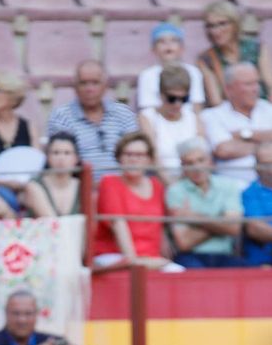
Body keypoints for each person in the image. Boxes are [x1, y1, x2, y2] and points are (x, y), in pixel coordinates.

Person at [201, 62, 272, 183]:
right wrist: (271, 148)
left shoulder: (271, 109)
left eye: (257, 83)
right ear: (229, 89)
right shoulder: (212, 115)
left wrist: (245, 134)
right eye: (248, 84)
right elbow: (224, 150)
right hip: (236, 189)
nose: (255, 89)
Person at [45, 61, 140, 175]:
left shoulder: (123, 113)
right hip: (79, 187)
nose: (89, 89)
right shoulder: (61, 116)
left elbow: (137, 154)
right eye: (83, 83)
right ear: (75, 87)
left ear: (106, 86)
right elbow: (59, 161)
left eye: (95, 83)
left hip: (121, 186)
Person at [91, 131, 168, 269]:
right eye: (128, 154)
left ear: (149, 160)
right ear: (119, 158)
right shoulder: (109, 183)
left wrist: (163, 258)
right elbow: (118, 224)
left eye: (139, 155)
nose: (133, 159)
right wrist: (135, 261)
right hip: (116, 258)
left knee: (179, 273)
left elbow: (160, 228)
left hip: (151, 258)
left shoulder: (157, 186)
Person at [167, 138, 244, 267]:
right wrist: (220, 222)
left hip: (225, 256)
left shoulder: (228, 185)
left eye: (200, 160)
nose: (196, 167)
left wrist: (195, 218)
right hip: (191, 256)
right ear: (183, 167)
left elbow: (234, 228)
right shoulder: (175, 191)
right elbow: (184, 243)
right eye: (190, 163)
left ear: (210, 161)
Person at [197, 0, 272, 106]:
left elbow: (271, 86)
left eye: (222, 24)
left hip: (263, 107)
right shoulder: (206, 59)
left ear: (235, 24)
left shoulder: (257, 47)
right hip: (230, 113)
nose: (215, 31)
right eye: (210, 26)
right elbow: (216, 101)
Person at [137, 64, 204, 173]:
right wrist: (172, 186)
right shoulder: (147, 117)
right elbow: (154, 158)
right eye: (171, 98)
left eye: (184, 99)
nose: (177, 104)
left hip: (191, 179)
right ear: (160, 94)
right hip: (161, 178)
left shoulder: (193, 117)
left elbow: (201, 157)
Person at [136, 23, 206, 111]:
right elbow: (147, 110)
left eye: (173, 40)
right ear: (153, 49)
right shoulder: (147, 75)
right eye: (161, 41)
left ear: (182, 47)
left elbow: (197, 106)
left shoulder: (193, 72)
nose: (168, 45)